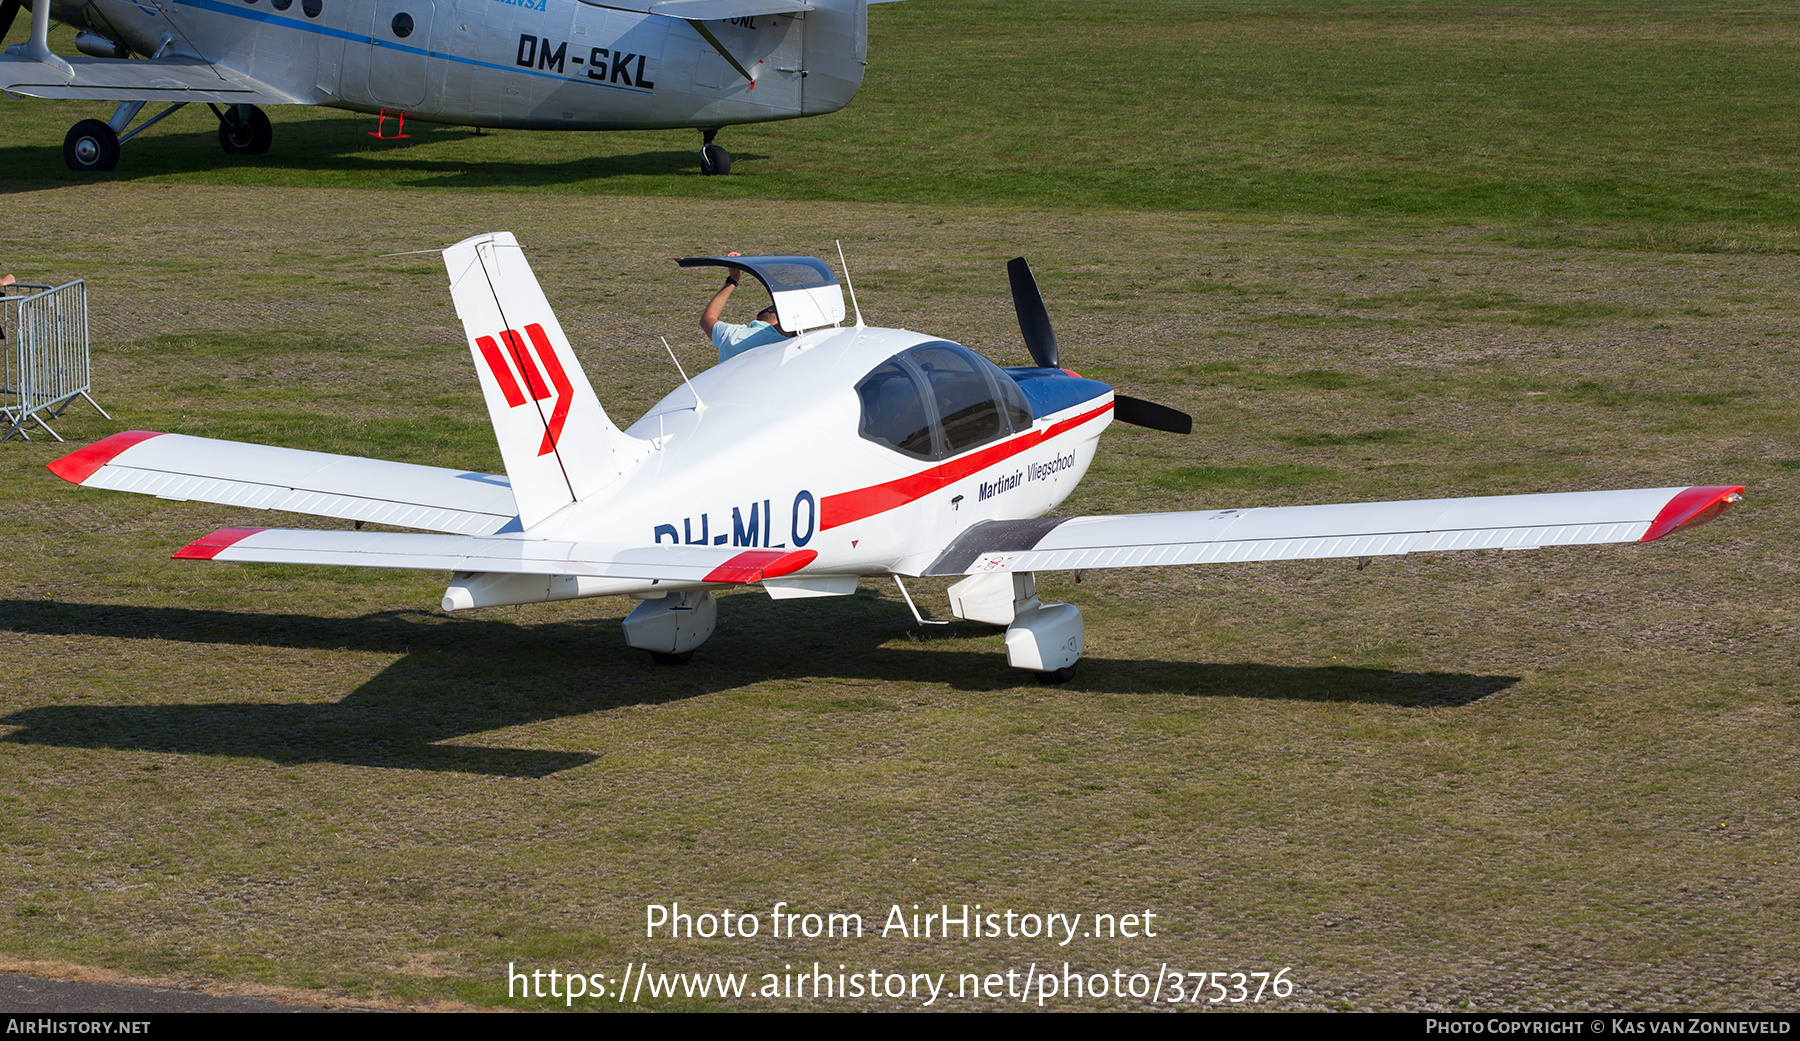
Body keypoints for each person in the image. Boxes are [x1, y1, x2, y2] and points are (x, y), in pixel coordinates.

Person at [700, 256, 794, 362]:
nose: (792, 335)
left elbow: (707, 319)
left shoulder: (732, 334)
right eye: (792, 332)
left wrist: (732, 281)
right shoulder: (782, 344)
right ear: (781, 325)